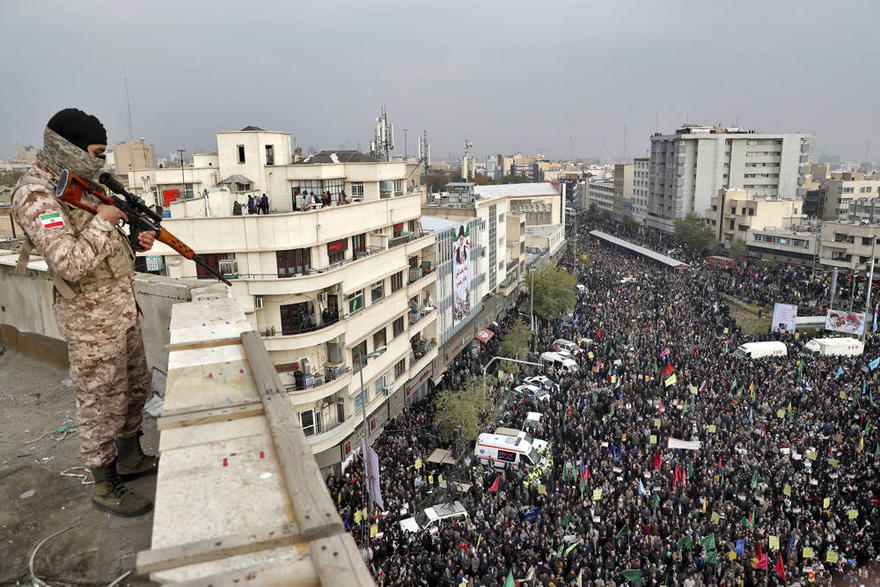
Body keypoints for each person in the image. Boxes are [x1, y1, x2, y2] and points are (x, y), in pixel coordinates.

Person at [11, 108, 158, 517]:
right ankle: (104, 483)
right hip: (89, 317)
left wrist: (135, 241)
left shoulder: (81, 183)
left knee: (133, 388)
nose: (100, 161)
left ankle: (130, 459)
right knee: (100, 401)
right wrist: (104, 222)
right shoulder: (36, 194)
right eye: (95, 152)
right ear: (68, 147)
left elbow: (104, 243)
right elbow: (69, 263)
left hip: (122, 305)